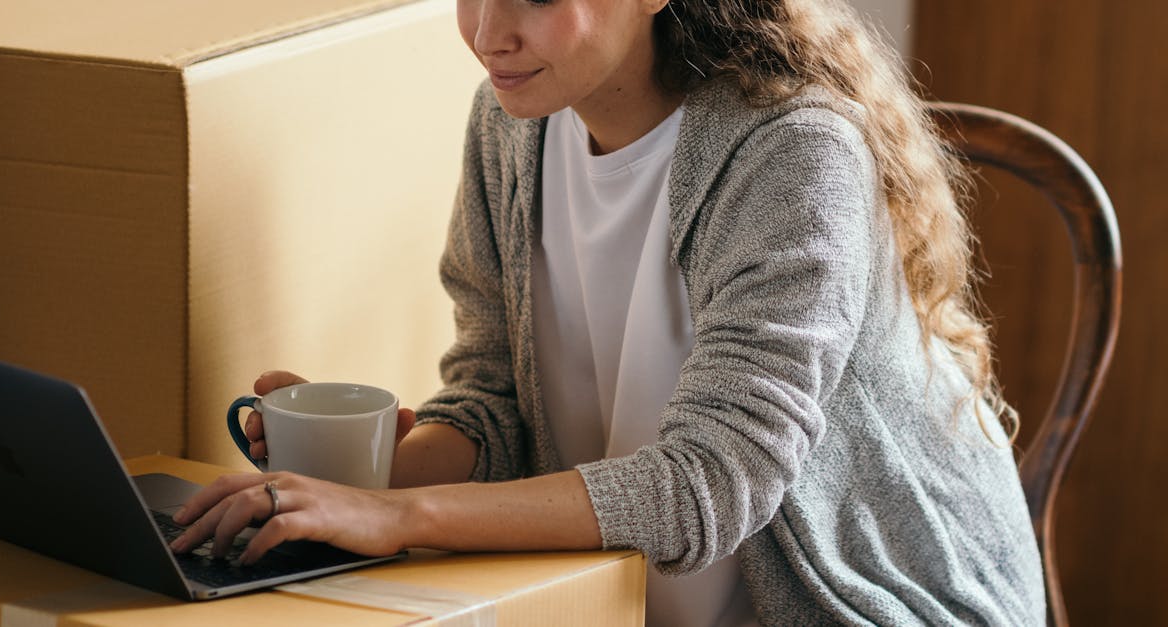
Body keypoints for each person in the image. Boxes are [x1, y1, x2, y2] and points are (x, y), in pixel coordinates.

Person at [170, 0, 1046, 624]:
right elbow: (493, 402)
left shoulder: (793, 153)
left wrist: (402, 517)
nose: (486, 32)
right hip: (618, 604)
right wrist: (368, 475)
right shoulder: (511, 125)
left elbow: (710, 483)